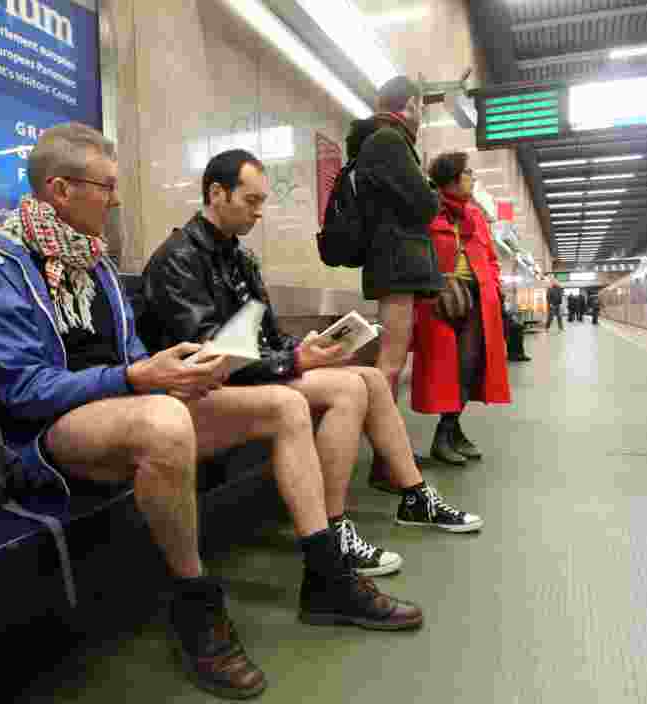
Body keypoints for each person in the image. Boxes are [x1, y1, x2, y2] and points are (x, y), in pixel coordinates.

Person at [0, 124, 423, 701]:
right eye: (105, 186)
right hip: (51, 430)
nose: (116, 197)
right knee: (164, 421)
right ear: (60, 189)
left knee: (282, 405)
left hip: (125, 400)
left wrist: (170, 371)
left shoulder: (96, 266)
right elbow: (22, 391)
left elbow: (133, 355)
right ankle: (193, 598)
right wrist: (135, 378)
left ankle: (325, 575)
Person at [138, 149, 483, 549]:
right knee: (347, 389)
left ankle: (414, 495)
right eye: (251, 201)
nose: (258, 212)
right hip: (202, 387)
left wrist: (303, 347)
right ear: (217, 193)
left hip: (247, 374)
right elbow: (209, 354)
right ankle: (333, 527)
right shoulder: (178, 259)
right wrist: (293, 360)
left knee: (370, 377)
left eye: (262, 202)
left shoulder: (240, 257)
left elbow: (264, 332)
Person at [344, 75, 442, 472]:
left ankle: (389, 455)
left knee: (392, 362)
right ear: (412, 104)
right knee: (390, 364)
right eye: (421, 107)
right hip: (396, 264)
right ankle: (386, 461)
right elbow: (424, 203)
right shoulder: (388, 141)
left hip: (393, 262)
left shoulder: (381, 141)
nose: (422, 116)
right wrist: (431, 192)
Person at [408, 152, 511, 465]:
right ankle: (449, 433)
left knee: (468, 365)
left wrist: (492, 284)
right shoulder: (426, 210)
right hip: (437, 299)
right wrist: (435, 282)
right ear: (451, 178)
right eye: (467, 173)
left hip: (476, 297)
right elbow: (415, 254)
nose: (472, 178)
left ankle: (448, 431)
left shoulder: (475, 216)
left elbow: (491, 258)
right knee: (444, 370)